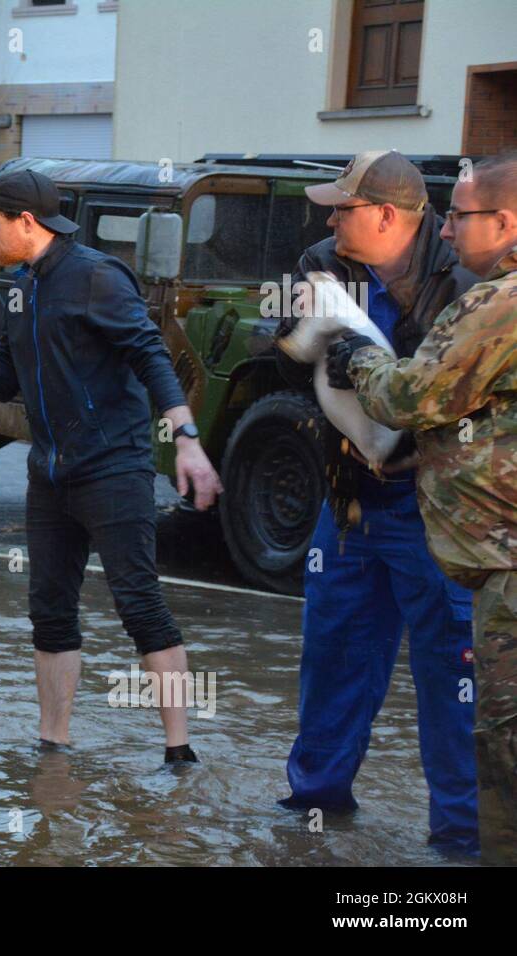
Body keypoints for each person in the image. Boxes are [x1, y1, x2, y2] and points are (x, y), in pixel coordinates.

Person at [0, 168, 222, 760]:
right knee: (49, 610)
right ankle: (54, 744)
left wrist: (186, 436)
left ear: (27, 222)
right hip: (52, 472)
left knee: (139, 604)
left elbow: (151, 357)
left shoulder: (95, 276)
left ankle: (179, 748)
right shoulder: (17, 287)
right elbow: (4, 379)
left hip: (114, 468)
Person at [272, 150, 481, 854]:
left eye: (344, 207)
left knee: (453, 672)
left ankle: (460, 836)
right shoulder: (321, 261)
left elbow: (443, 394)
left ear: (388, 215)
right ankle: (314, 805)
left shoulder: (466, 277)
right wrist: (293, 339)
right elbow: (276, 336)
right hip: (351, 501)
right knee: (334, 653)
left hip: (439, 511)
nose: (330, 218)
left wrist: (364, 361)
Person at [329, 152, 517, 863]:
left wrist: (356, 360)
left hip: (505, 561)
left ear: (505, 222)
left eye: (460, 215)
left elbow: (413, 396)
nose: (446, 231)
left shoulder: (499, 301)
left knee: (501, 752)